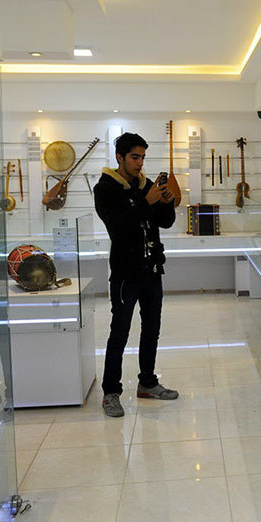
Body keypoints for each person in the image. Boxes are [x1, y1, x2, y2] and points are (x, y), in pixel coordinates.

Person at [94, 132, 179, 417]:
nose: (140, 162)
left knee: (152, 329)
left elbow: (165, 222)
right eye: (134, 157)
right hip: (125, 274)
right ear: (120, 157)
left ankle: (148, 383)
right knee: (119, 332)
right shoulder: (105, 189)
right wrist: (147, 201)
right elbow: (118, 227)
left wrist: (165, 201)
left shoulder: (146, 185)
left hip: (152, 271)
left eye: (142, 157)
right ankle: (111, 392)